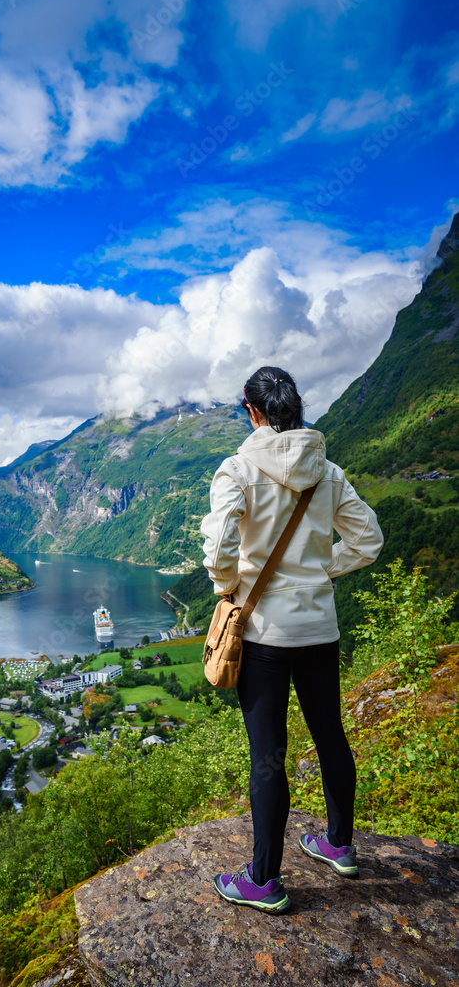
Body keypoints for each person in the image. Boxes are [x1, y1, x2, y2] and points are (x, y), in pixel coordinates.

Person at [200, 365, 383, 914]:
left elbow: (217, 553)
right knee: (331, 736)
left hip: (264, 637)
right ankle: (339, 845)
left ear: (252, 412)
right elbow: (368, 540)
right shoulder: (330, 473)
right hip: (319, 631)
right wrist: (322, 573)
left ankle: (263, 879)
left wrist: (232, 587)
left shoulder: (237, 469)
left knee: (268, 757)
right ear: (296, 409)